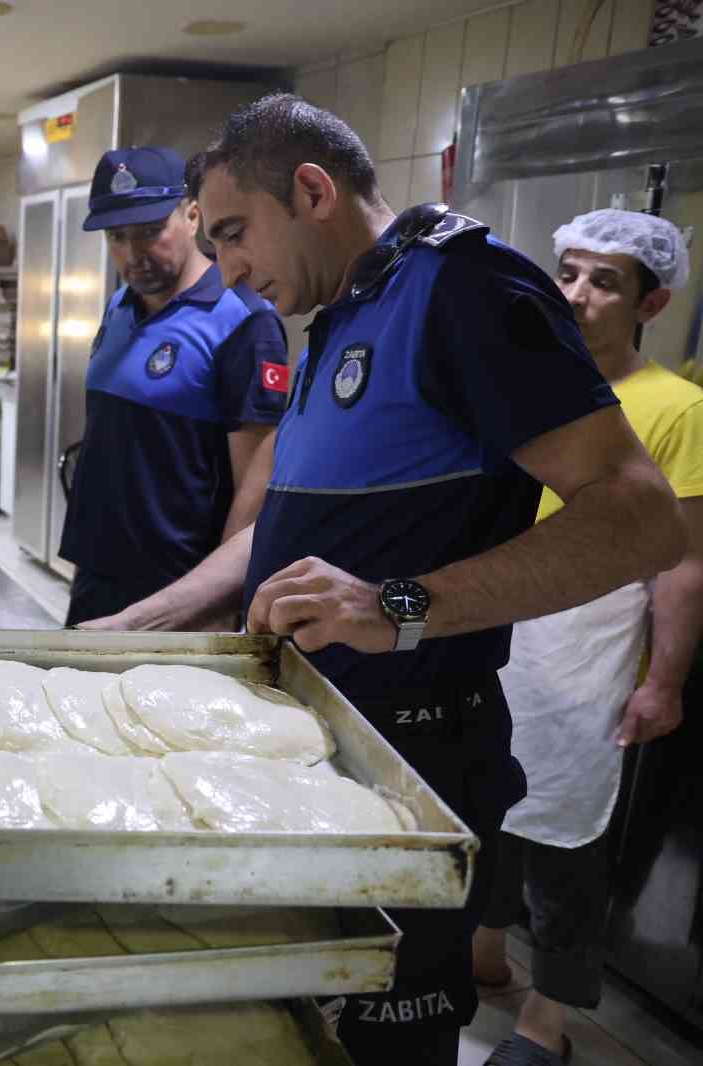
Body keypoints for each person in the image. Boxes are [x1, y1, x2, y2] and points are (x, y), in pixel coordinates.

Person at [84, 94, 685, 1065]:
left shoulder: (464, 292)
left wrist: (396, 605)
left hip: (408, 762)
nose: (227, 269)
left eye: (233, 232)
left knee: (379, 1040)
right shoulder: (339, 315)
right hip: (306, 742)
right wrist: (138, 623)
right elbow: (285, 530)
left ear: (312, 189)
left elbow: (638, 515)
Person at [473, 210, 702, 1066]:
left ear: (653, 302)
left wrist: (663, 680)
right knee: (489, 797)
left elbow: (683, 564)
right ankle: (485, 953)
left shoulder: (677, 409)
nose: (574, 295)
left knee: (568, 837)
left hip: (592, 647)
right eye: (567, 272)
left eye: (603, 281)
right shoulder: (530, 384)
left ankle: (547, 1021)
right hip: (504, 628)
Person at [58, 147, 288, 626]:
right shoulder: (121, 303)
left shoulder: (242, 321)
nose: (133, 253)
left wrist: (218, 604)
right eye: (117, 237)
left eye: (150, 231)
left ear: (192, 215)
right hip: (98, 568)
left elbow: (256, 480)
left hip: (175, 586)